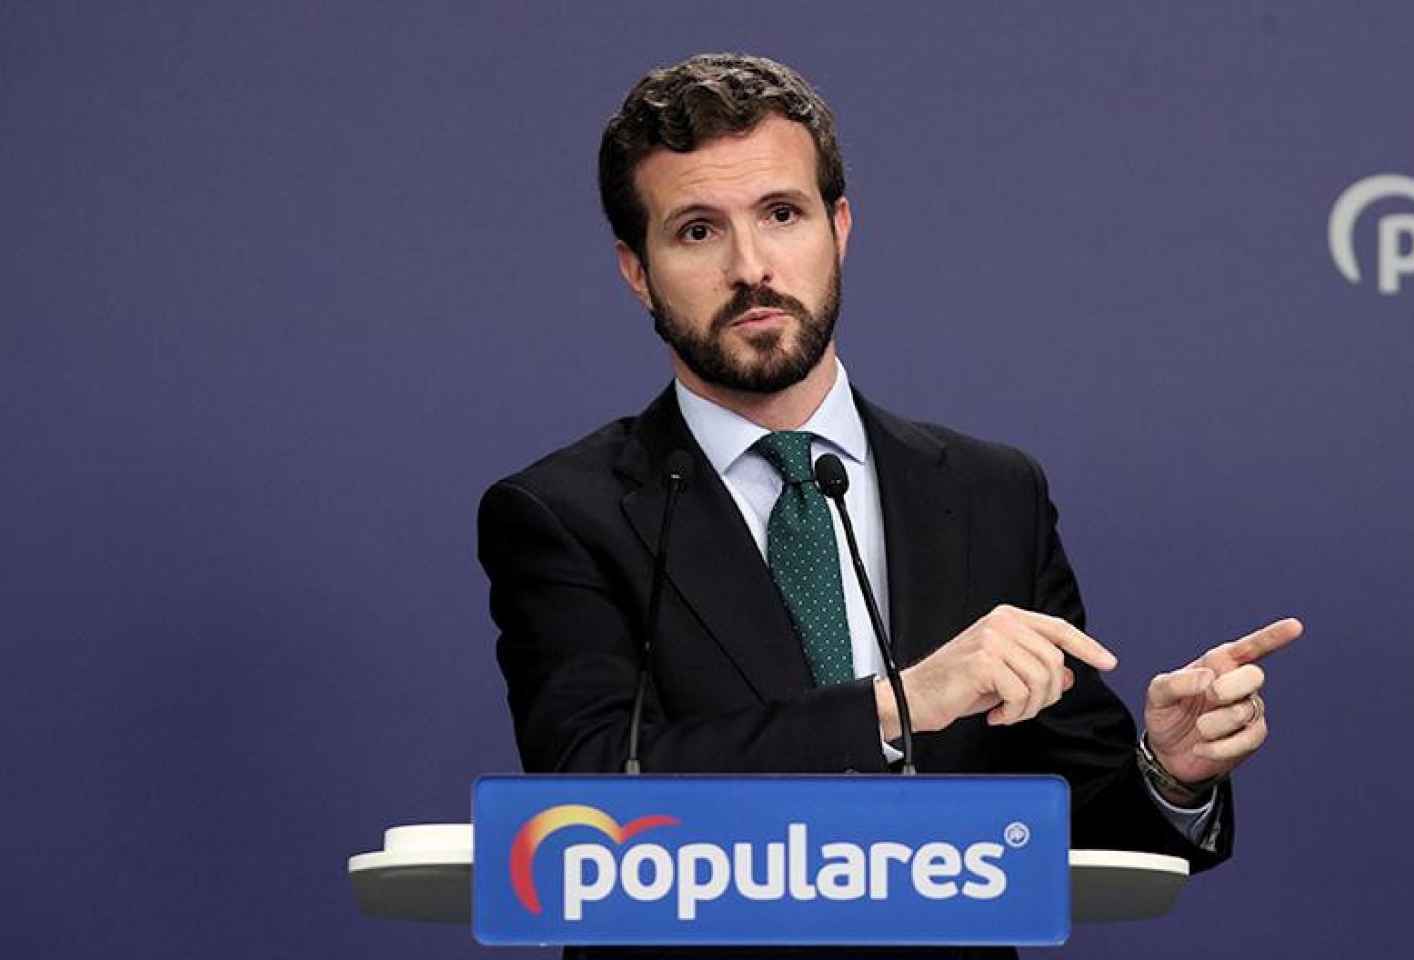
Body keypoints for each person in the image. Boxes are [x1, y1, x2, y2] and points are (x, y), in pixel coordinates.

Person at [477, 52, 1300, 958]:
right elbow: (584, 805)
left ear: (839, 227)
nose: (752, 267)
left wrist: (1169, 772)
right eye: (699, 232)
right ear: (637, 270)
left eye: (781, 215)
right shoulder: (567, 513)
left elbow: (1081, 834)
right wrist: (895, 704)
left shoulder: (989, 493)